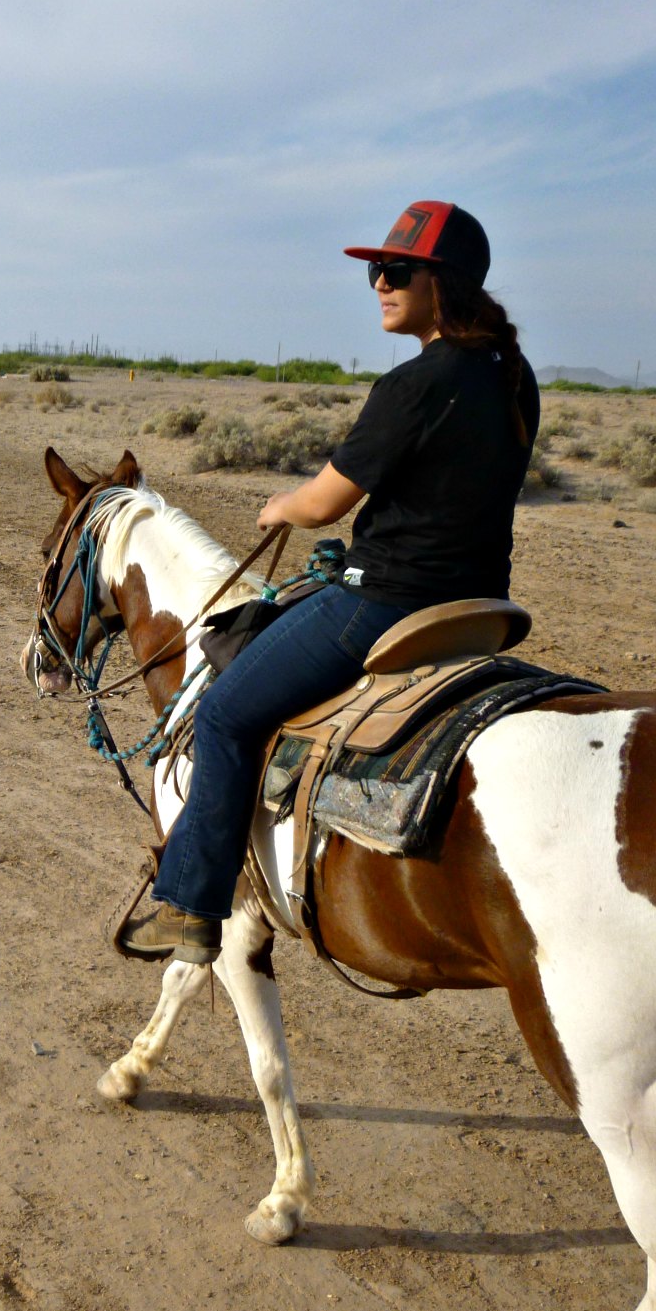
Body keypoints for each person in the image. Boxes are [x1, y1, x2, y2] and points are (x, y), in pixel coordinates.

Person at [117, 200, 541, 964]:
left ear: (440, 283)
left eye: (394, 270)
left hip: (386, 603)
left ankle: (189, 906)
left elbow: (324, 504)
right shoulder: (513, 376)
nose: (378, 283)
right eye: (376, 271)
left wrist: (282, 505)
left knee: (221, 717)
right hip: (480, 606)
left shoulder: (415, 385)